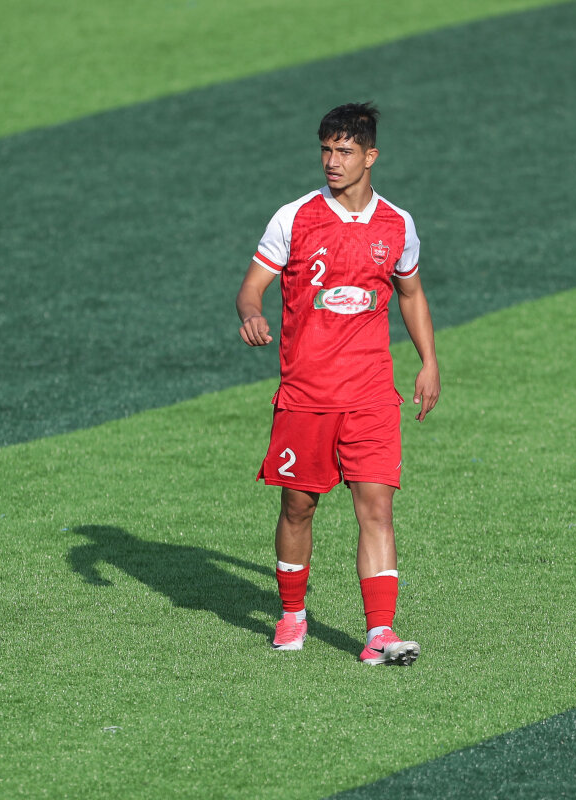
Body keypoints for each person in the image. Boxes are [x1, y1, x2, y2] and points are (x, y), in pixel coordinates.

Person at [235, 102, 440, 666]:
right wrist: (251, 313)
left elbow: (411, 293)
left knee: (376, 510)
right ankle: (292, 613)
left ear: (370, 156)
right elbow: (251, 287)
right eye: (326, 150)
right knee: (298, 507)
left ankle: (379, 633)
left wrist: (429, 361)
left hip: (371, 394)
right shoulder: (294, 218)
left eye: (344, 151)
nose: (332, 161)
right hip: (307, 395)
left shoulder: (397, 224)